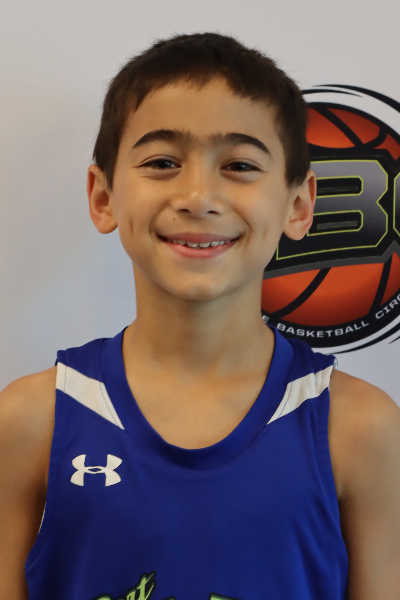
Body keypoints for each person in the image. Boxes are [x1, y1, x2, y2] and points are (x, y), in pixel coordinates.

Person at [1, 32, 399, 600]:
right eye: (162, 162)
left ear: (298, 204)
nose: (198, 196)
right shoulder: (30, 419)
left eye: (239, 165)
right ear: (103, 196)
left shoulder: (360, 428)